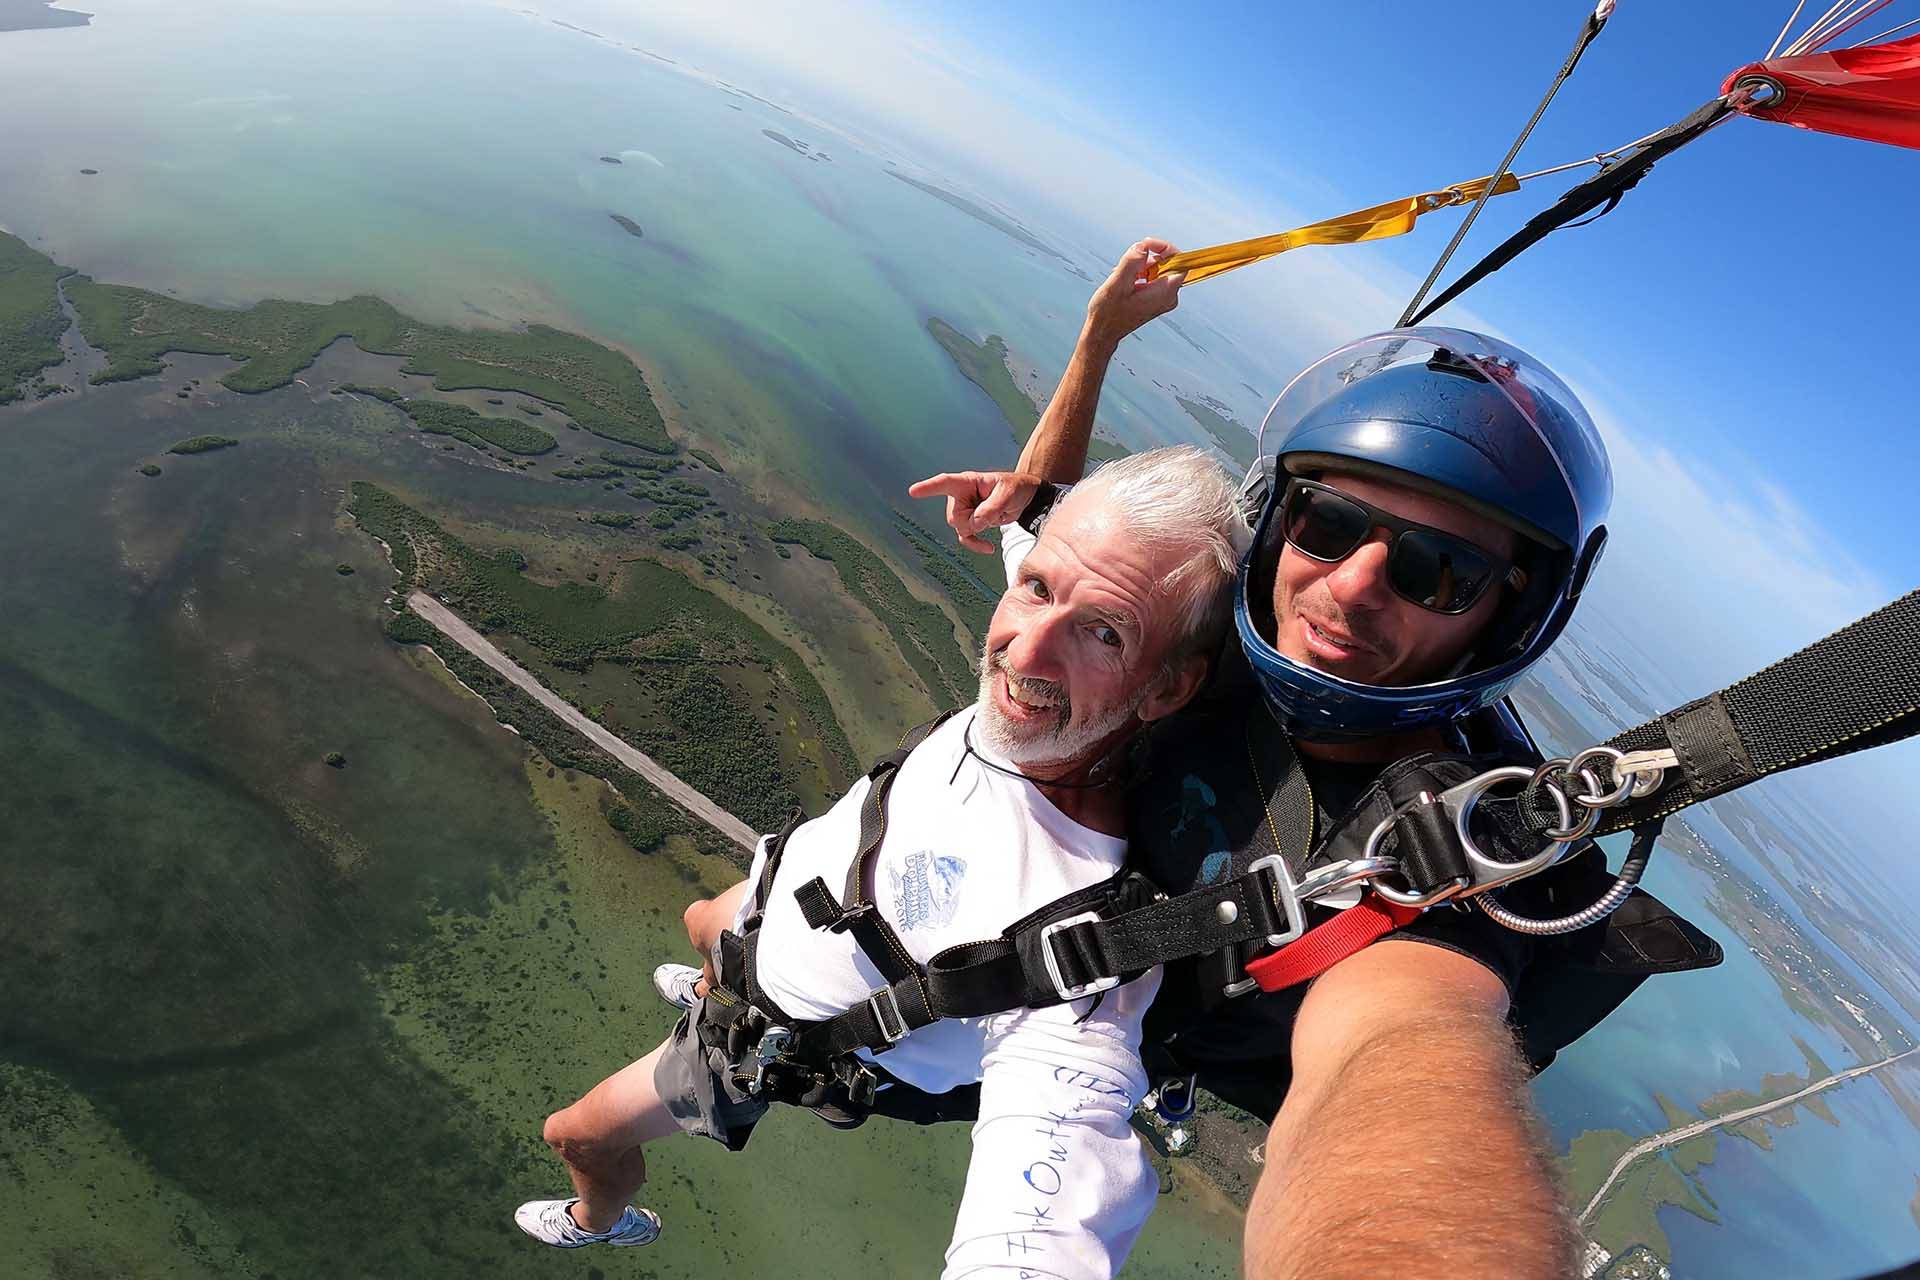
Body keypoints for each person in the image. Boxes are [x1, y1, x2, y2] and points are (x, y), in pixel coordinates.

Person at [911, 240, 1718, 1279]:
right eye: (1330, 523)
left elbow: (1400, 1047)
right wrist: (1099, 337)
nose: (1350, 587)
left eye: (1438, 568)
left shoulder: (1439, 847)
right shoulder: (1203, 632)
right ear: (1277, 521)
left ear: (1503, 616)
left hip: (1052, 1040)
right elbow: (1048, 518)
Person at [515, 445, 1252, 1278]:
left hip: (775, 1035)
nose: (1025, 652)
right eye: (1037, 589)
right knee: (701, 923)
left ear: (1167, 690)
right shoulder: (1057, 699)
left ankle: (603, 1216)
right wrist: (1102, 329)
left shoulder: (1076, 950)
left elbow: (1042, 1220)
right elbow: (1031, 513)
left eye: (1103, 634)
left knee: (574, 1133)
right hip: (779, 905)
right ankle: (717, 974)